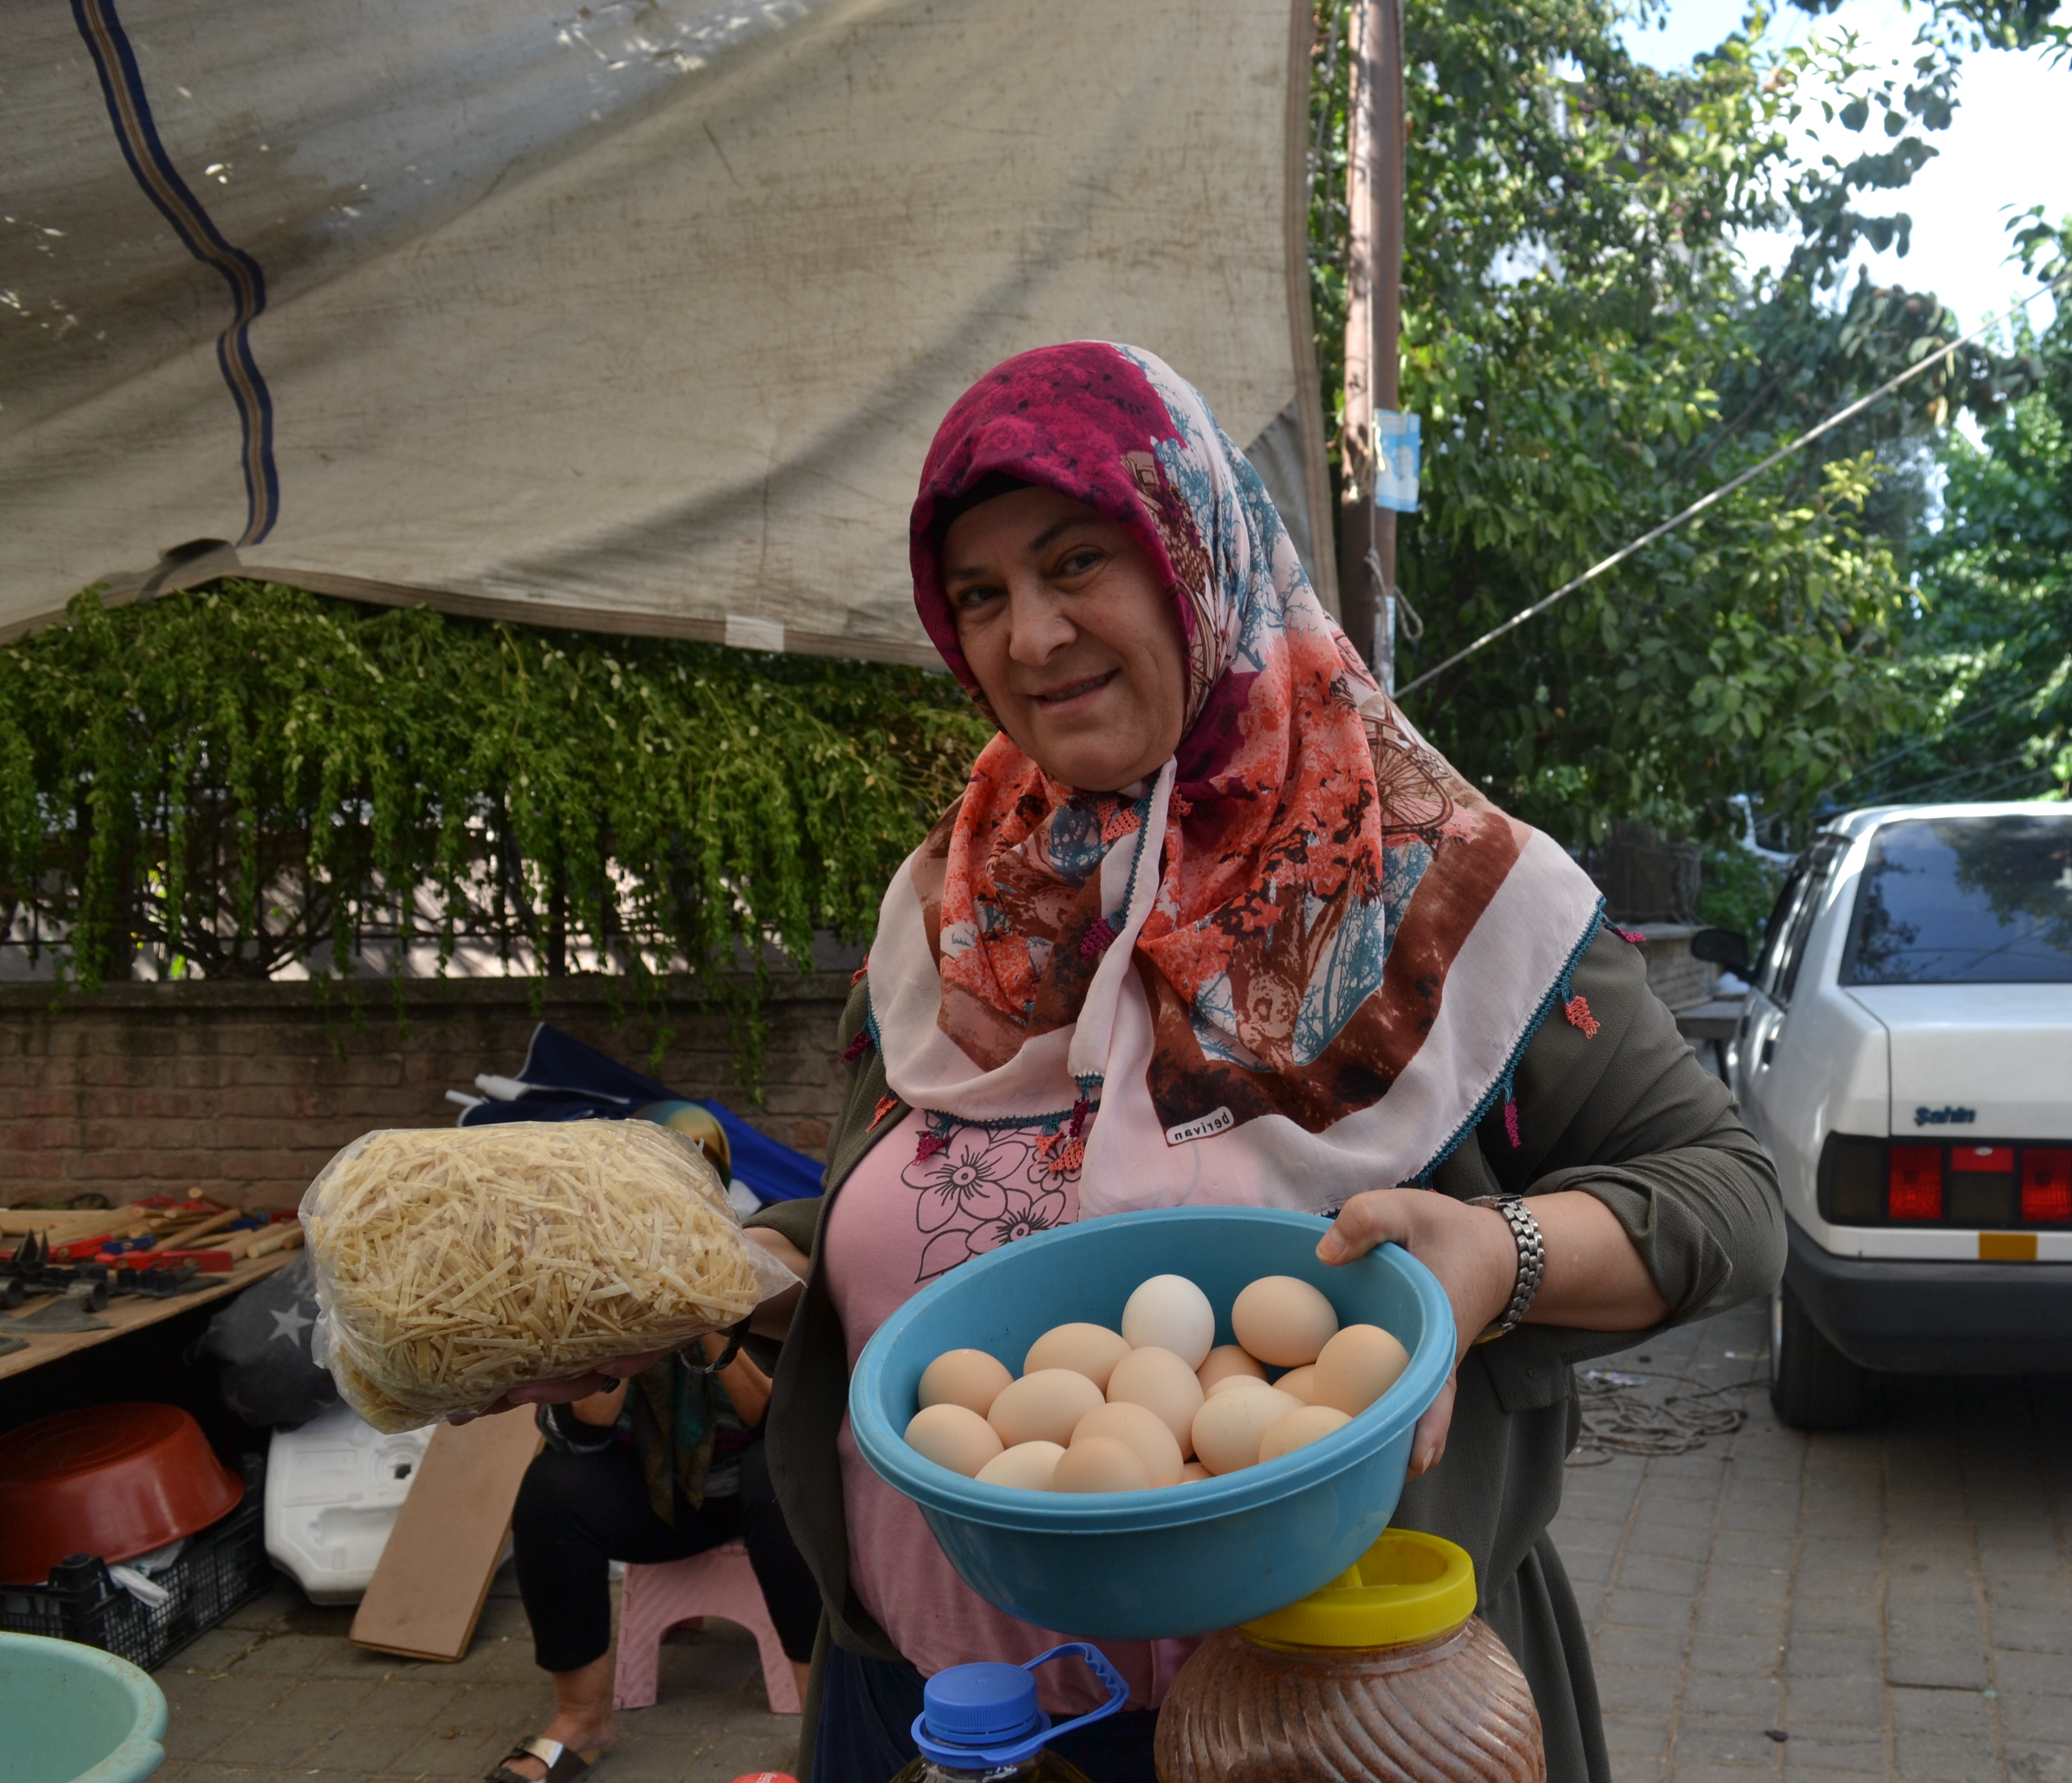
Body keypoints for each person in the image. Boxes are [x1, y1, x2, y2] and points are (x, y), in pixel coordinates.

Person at [725, 342, 1785, 1783]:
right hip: (939, 1717)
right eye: (979, 594)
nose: (1029, 635)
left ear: (1196, 550)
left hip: (1334, 1723)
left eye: (1075, 560)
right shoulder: (948, 906)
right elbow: (889, 1208)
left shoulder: (1445, 889)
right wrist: (719, 1276)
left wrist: (1497, 1256)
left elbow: (1727, 1196)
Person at [486, 1334, 822, 1783]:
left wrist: (705, 1320)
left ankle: (819, 1719)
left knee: (778, 1473)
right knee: (550, 1488)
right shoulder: (586, 1293)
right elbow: (583, 1432)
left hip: (743, 1491)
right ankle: (583, 1719)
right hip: (645, 1496)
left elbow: (775, 1421)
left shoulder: (752, 1285)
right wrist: (630, 1329)